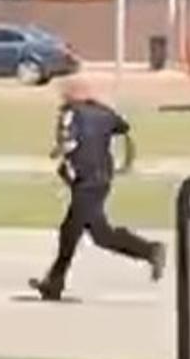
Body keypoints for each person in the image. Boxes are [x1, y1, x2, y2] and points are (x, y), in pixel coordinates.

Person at [29, 75, 166, 301]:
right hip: (102, 179)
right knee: (72, 231)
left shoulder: (70, 112)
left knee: (99, 235)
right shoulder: (104, 113)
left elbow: (68, 141)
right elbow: (123, 128)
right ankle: (54, 283)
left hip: (85, 180)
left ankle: (150, 251)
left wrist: (60, 154)